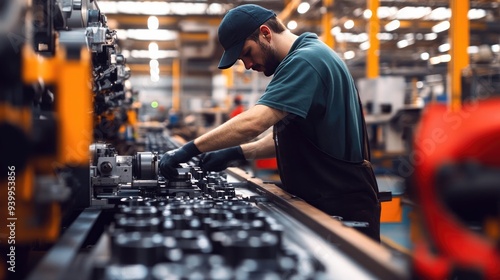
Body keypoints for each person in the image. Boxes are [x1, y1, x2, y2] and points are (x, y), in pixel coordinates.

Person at [159, 4, 381, 241]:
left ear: (265, 33)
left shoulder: (306, 61)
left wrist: (189, 149)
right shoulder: (309, 56)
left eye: (247, 53)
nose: (247, 65)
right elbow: (292, 140)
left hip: (341, 205)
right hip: (328, 197)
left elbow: (255, 122)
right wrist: (236, 152)